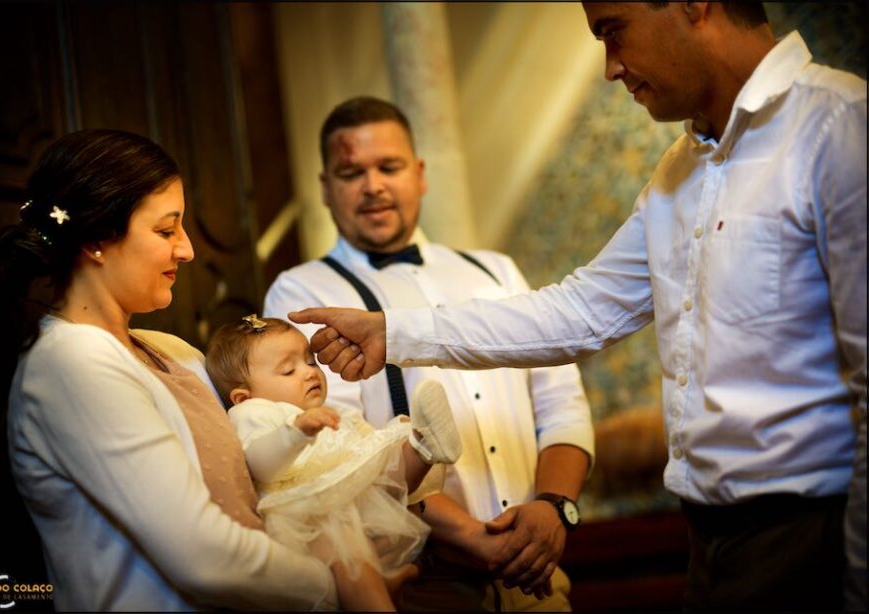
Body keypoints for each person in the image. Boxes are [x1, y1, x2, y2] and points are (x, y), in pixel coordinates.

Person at [290, 3, 867, 611]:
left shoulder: (838, 128)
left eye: (613, 31)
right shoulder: (680, 170)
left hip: (814, 530)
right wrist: (392, 332)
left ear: (695, 5)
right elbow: (581, 310)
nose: (610, 68)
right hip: (710, 537)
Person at [0, 129, 342, 611]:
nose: (188, 250)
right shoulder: (70, 364)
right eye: (166, 230)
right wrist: (333, 586)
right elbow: (204, 556)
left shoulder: (171, 350)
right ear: (96, 239)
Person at [264, 96, 594, 611]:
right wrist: (469, 536)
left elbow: (561, 405)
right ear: (326, 189)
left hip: (541, 577)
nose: (373, 186)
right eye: (351, 172)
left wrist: (554, 509)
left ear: (419, 174)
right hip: (423, 584)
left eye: (388, 167)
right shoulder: (300, 293)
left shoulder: (496, 271)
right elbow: (334, 450)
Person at [204, 315, 462, 612]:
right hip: (308, 516)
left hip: (352, 498)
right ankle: (378, 598)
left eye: (310, 362)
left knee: (387, 467)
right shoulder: (254, 411)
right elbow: (260, 464)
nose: (308, 372)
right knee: (346, 554)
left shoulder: (327, 412)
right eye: (288, 370)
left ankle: (424, 446)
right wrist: (295, 432)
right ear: (242, 396)